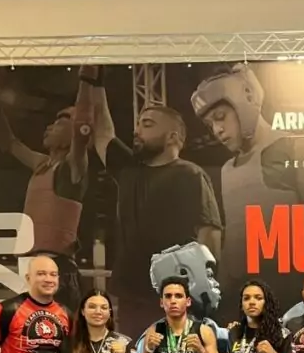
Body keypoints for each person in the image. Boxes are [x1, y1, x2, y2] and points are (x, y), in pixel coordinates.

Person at [79, 65, 223, 339]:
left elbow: (209, 234)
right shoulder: (129, 169)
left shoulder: (189, 174)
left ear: (173, 137)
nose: (137, 131)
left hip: (173, 298)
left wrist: (201, 294)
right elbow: (102, 133)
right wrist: (96, 83)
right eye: (138, 125)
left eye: (147, 125)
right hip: (131, 296)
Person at [191, 64, 304, 292]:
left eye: (220, 117)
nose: (217, 130)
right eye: (210, 125)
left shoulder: (297, 149)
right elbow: (234, 241)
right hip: (242, 293)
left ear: (246, 99)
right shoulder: (227, 169)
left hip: (290, 287)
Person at [0, 68, 92, 309]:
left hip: (54, 266)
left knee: (54, 328)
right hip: (30, 264)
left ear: (74, 132)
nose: (49, 127)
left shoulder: (72, 168)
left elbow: (83, 127)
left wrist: (87, 80)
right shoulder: (43, 164)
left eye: (59, 123)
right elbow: (7, 142)